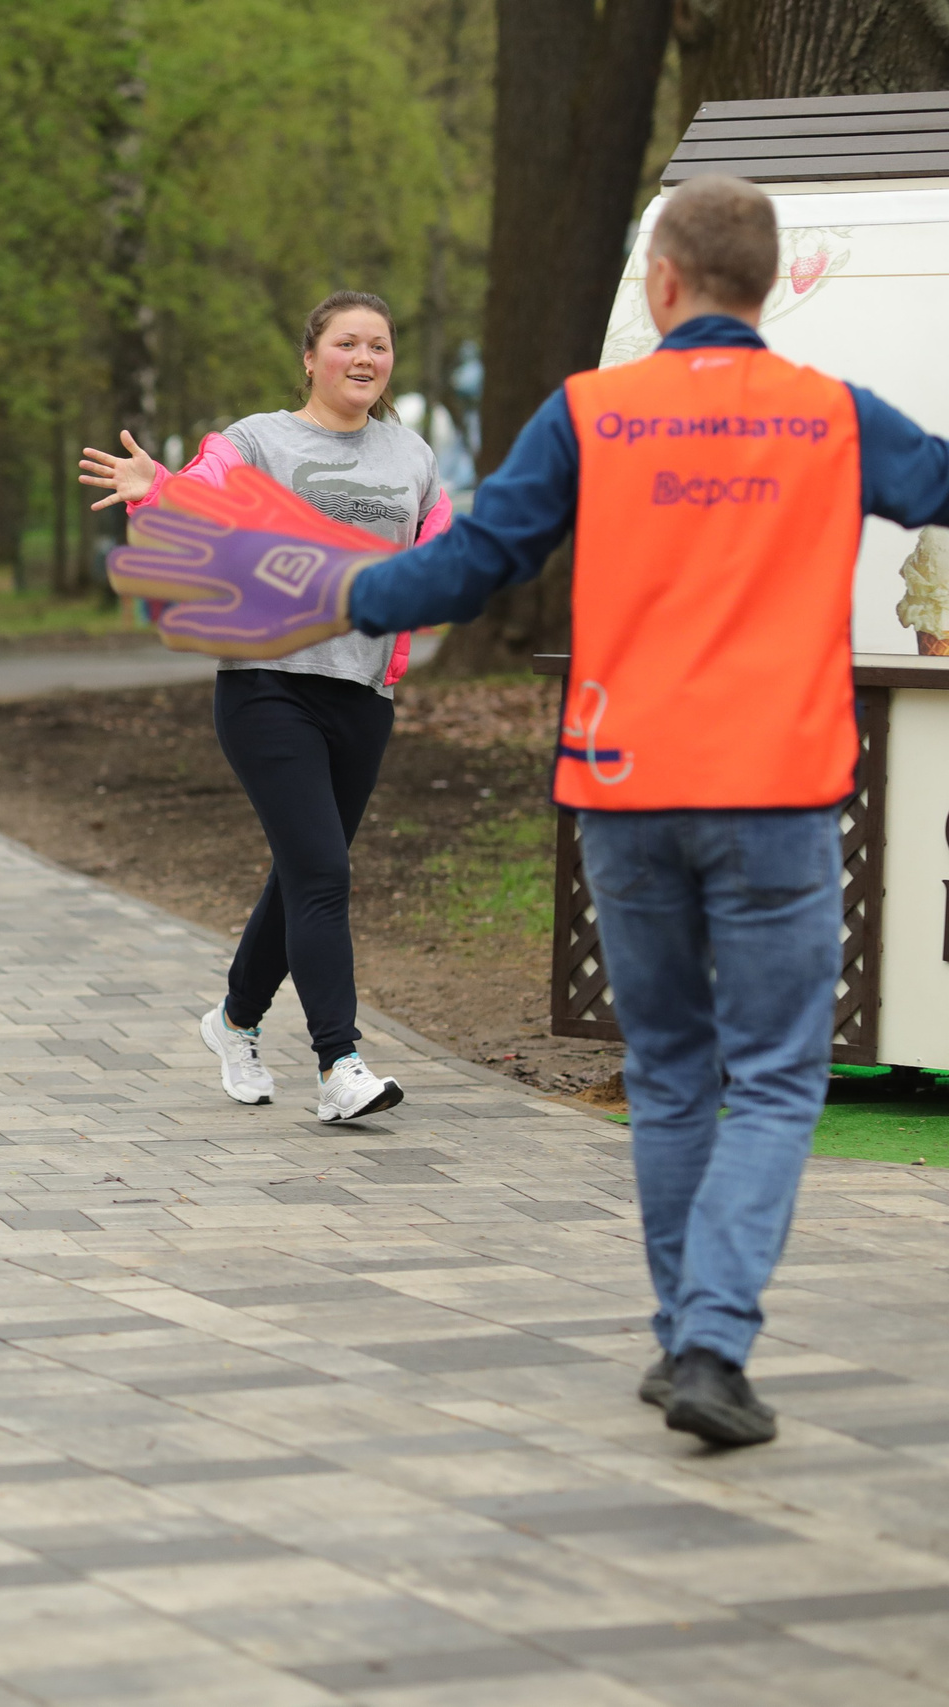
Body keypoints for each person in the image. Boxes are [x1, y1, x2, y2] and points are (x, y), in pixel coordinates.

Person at [108, 174, 949, 1449]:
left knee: (669, 1075)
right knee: (773, 1083)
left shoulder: (590, 416)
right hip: (780, 789)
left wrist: (316, 596)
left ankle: (688, 1345)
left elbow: (469, 561)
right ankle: (711, 1343)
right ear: (763, 289)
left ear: (660, 285)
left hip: (623, 788)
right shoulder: (831, 416)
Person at [82, 292, 449, 1123]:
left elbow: (442, 553)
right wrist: (156, 486)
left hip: (362, 693)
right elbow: (202, 500)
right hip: (267, 685)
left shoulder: (413, 454)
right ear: (311, 356)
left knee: (301, 874)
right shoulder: (257, 440)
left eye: (380, 346)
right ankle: (339, 1063)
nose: (365, 357)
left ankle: (235, 1019)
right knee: (323, 871)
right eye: (347, 342)